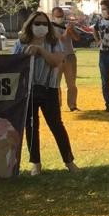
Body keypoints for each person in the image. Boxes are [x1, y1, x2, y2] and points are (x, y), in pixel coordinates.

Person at [13, 11, 78, 176]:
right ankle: (35, 163)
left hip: (49, 88)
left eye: (44, 23)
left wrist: (41, 51)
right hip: (27, 90)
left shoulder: (54, 41)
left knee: (56, 125)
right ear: (30, 25)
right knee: (31, 127)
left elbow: (57, 61)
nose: (40, 27)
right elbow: (13, 65)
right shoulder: (21, 43)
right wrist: (25, 54)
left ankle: (69, 161)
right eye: (37, 23)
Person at [50, 6, 80, 111]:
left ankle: (72, 105)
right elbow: (61, 38)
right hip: (57, 57)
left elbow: (77, 38)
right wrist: (67, 30)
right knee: (55, 84)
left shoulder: (66, 26)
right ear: (53, 16)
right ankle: (57, 105)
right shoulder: (51, 27)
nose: (60, 18)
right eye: (58, 16)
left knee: (71, 84)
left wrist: (71, 30)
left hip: (70, 56)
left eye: (61, 16)